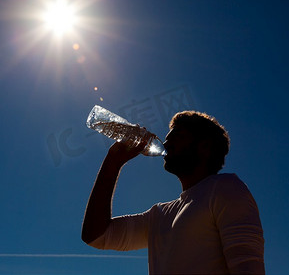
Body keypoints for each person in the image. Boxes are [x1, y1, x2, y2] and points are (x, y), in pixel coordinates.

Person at [82, 111, 265, 274]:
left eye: (178, 136)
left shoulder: (225, 187)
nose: (166, 143)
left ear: (204, 147)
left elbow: (248, 266)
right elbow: (96, 235)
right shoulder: (159, 215)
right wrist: (113, 161)